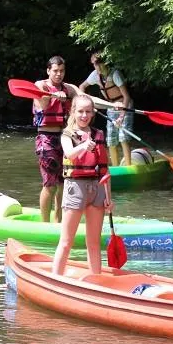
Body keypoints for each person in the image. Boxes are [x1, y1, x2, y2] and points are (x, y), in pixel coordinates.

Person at [52, 94, 113, 276]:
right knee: (66, 241)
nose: (84, 115)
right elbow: (69, 154)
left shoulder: (99, 135)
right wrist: (84, 145)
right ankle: (56, 278)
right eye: (80, 111)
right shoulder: (67, 134)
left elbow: (104, 169)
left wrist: (109, 197)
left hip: (97, 189)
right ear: (73, 112)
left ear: (92, 113)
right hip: (75, 188)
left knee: (94, 242)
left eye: (88, 112)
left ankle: (96, 280)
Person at [33, 55, 78, 223]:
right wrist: (53, 96)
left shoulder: (69, 88)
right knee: (50, 185)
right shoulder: (41, 85)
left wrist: (114, 105)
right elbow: (41, 105)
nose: (59, 74)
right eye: (55, 71)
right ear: (48, 71)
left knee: (64, 184)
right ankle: (44, 224)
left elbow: (86, 99)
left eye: (62, 71)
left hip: (65, 139)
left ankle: (58, 221)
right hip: (47, 138)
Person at [78, 52, 133, 166]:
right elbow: (82, 87)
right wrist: (85, 102)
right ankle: (115, 168)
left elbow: (126, 97)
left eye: (98, 63)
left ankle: (128, 167)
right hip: (111, 106)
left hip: (125, 105)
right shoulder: (94, 75)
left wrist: (122, 116)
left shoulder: (115, 74)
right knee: (111, 140)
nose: (96, 67)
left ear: (105, 62)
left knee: (123, 138)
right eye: (94, 64)